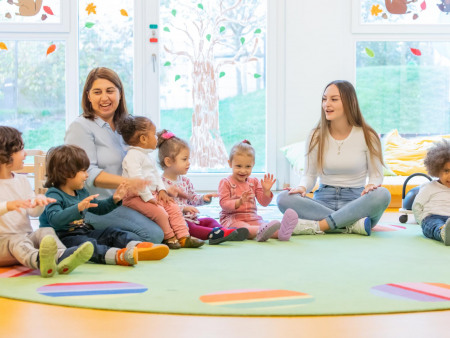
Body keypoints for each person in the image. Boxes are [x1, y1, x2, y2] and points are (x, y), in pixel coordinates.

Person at [277, 80, 391, 236]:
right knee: (283, 198)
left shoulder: (368, 135)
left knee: (382, 195)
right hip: (323, 200)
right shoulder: (315, 135)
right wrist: (302, 188)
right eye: (324, 99)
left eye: (334, 99)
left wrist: (372, 185)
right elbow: (309, 175)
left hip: (356, 202)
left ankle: (320, 226)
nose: (326, 104)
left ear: (349, 102)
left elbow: (377, 175)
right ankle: (350, 225)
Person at [65, 67, 163, 243]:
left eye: (110, 91)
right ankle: (92, 236)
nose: (104, 98)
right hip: (96, 206)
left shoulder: (126, 126)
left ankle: (108, 237)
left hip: (128, 201)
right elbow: (87, 174)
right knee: (154, 235)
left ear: (120, 93)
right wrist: (129, 182)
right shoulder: (80, 127)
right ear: (88, 96)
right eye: (97, 92)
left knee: (168, 221)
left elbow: (142, 159)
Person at [39, 145, 169, 266]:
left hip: (83, 231)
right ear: (67, 173)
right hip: (63, 238)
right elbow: (55, 220)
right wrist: (78, 208)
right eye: (83, 171)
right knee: (89, 246)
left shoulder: (80, 191)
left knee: (113, 233)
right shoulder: (54, 194)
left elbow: (99, 208)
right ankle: (118, 256)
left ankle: (138, 248)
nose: (87, 175)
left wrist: (114, 199)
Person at [0, 126, 93, 277]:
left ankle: (63, 257)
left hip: (25, 239)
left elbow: (32, 211)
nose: (25, 154)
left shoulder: (22, 181)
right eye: (21, 149)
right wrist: (8, 206)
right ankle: (40, 261)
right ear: (5, 154)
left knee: (45, 231)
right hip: (3, 244)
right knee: (16, 240)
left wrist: (39, 202)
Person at [117, 116, 204, 249]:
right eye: (153, 134)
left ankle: (183, 237)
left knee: (173, 206)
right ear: (143, 139)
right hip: (134, 196)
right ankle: (169, 237)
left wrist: (162, 190)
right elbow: (137, 179)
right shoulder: (133, 156)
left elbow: (156, 176)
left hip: (151, 193)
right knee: (160, 213)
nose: (156, 138)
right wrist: (148, 198)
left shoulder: (147, 156)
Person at [158, 130, 246, 245]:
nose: (189, 163)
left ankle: (224, 232)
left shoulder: (185, 181)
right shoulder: (161, 184)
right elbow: (163, 208)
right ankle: (214, 234)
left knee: (209, 220)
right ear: (168, 162)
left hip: (192, 219)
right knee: (192, 228)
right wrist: (183, 208)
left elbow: (192, 198)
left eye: (188, 159)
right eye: (184, 159)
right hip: (178, 224)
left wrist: (203, 199)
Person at [218, 140, 298, 242]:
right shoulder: (225, 182)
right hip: (233, 219)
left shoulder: (254, 182)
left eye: (248, 166)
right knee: (244, 228)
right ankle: (260, 232)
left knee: (265, 225)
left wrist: (266, 191)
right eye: (238, 166)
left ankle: (281, 233)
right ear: (230, 163)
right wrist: (239, 202)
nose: (243, 170)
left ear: (253, 164)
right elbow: (223, 204)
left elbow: (264, 203)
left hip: (253, 218)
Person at [412, 139, 450, 245]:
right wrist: (422, 221)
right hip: (433, 217)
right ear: (437, 169)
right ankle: (443, 233)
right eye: (446, 171)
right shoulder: (429, 187)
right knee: (434, 225)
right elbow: (417, 205)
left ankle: (447, 232)